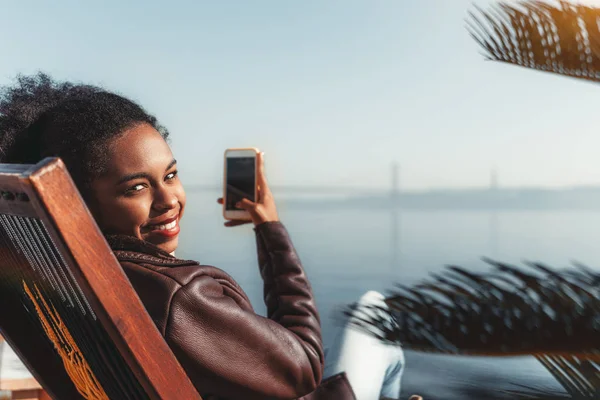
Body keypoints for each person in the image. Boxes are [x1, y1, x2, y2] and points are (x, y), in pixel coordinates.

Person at [0, 73, 419, 400]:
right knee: (375, 311)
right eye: (136, 187)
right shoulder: (181, 297)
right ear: (80, 199)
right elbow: (304, 368)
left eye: (171, 175)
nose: (170, 200)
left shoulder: (47, 274)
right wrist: (270, 229)